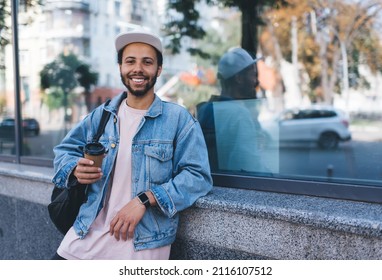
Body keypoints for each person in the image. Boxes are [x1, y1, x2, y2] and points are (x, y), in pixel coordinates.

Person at [51, 29, 213, 260]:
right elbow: (64, 151)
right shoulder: (103, 115)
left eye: (147, 62)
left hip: (142, 246)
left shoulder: (179, 120)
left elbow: (198, 176)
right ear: (120, 68)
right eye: (130, 61)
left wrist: (145, 199)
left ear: (158, 70)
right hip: (85, 236)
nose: (138, 69)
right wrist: (75, 169)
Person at [196, 47, 268, 173]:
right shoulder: (239, 114)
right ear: (239, 78)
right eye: (253, 75)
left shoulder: (205, 110)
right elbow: (249, 167)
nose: (256, 81)